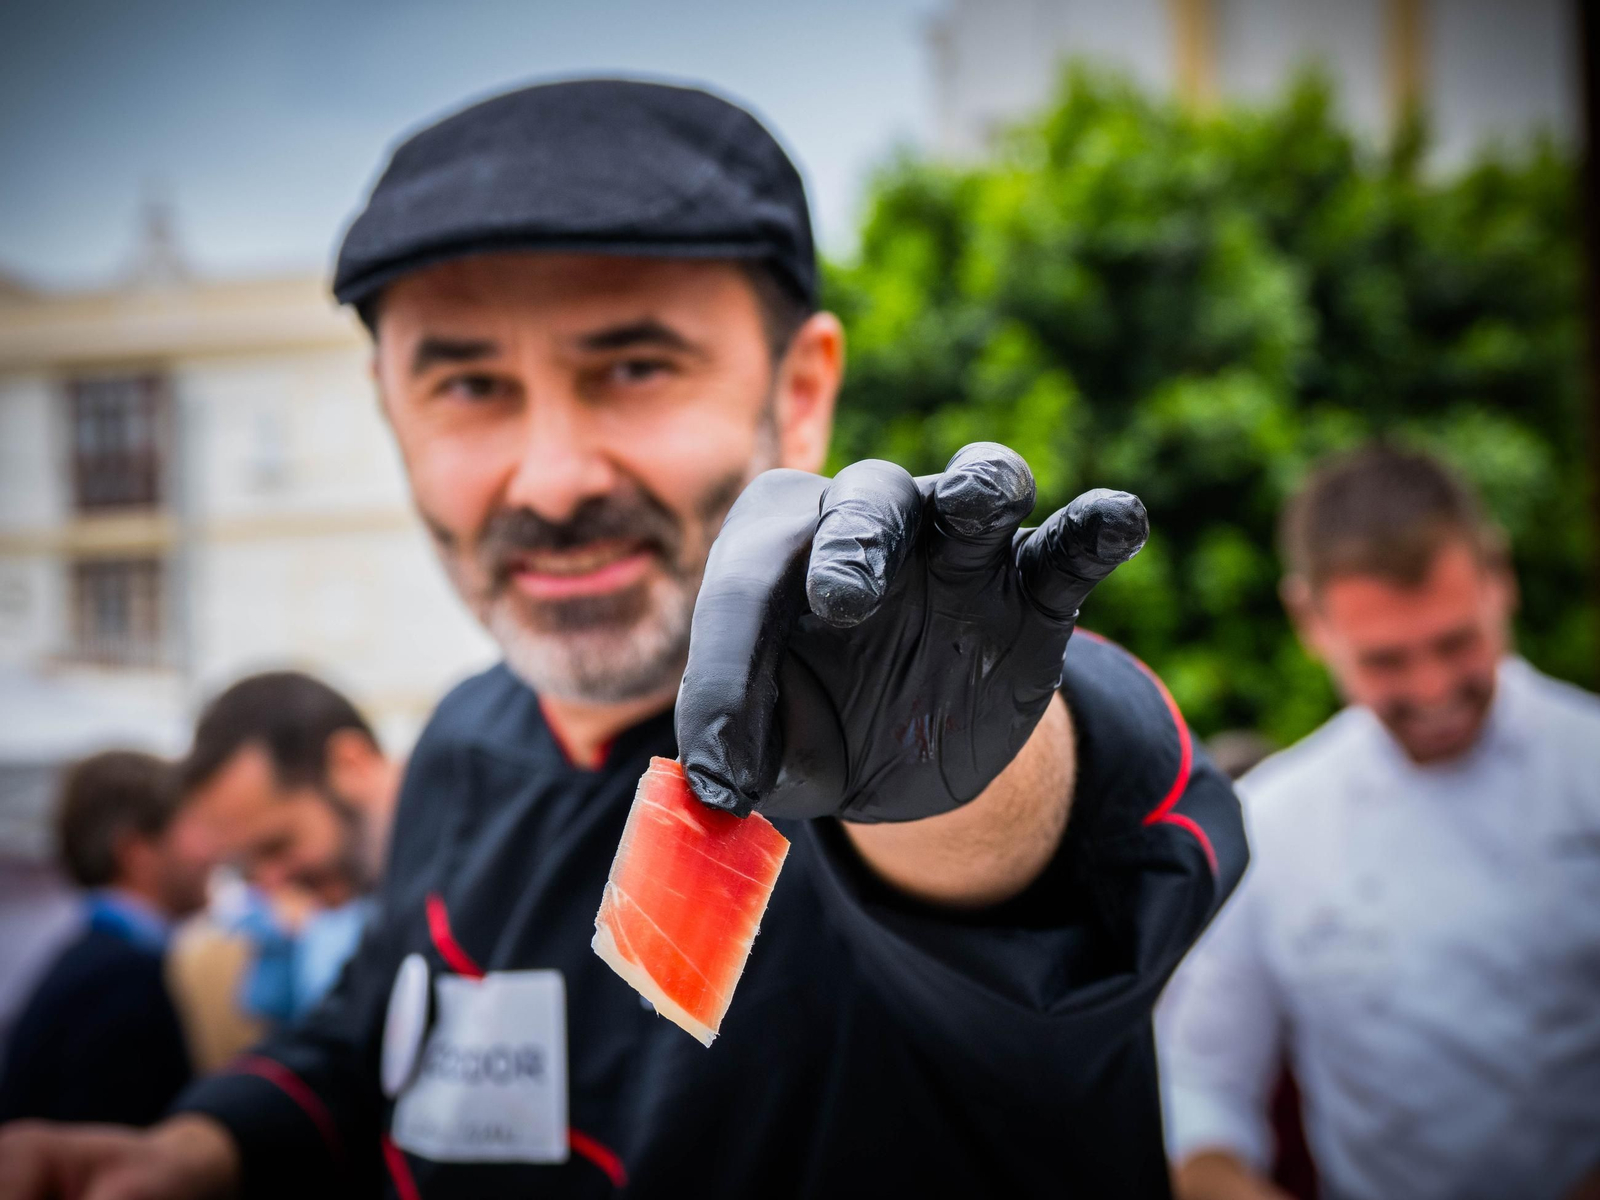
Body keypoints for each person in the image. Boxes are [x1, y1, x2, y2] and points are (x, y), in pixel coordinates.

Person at [0, 80, 1246, 1199]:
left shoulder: (879, 727)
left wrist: (948, 780)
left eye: (634, 365)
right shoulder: (458, 742)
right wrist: (197, 1147)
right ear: (391, 409)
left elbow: (1051, 845)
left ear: (799, 388)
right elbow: (372, 1035)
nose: (549, 479)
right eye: (470, 385)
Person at [1159, 444, 1600, 1200]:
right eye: (1386, 660)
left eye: (1457, 642)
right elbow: (1200, 1094)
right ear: (1310, 619)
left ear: (1499, 579)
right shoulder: (1274, 820)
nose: (1432, 688)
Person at [0, 751, 211, 1125]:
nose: (211, 851)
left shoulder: (97, 961)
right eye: (193, 827)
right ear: (136, 853)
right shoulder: (122, 980)